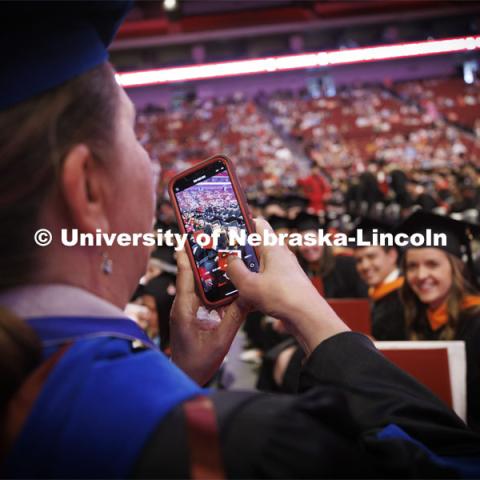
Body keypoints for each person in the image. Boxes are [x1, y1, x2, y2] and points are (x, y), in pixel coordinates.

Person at [1, 3, 480, 478]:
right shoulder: (247, 445)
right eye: (134, 134)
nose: (150, 166)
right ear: (88, 187)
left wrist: (181, 372)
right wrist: (312, 314)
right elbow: (454, 465)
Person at [399, 209, 480, 432]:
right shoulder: (417, 317)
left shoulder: (475, 322)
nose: (420, 275)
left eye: (432, 264)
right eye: (412, 266)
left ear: (456, 268)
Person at [353, 219, 407, 340]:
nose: (365, 266)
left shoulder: (406, 296)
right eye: (359, 260)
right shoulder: (373, 293)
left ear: (392, 255)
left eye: (371, 257)